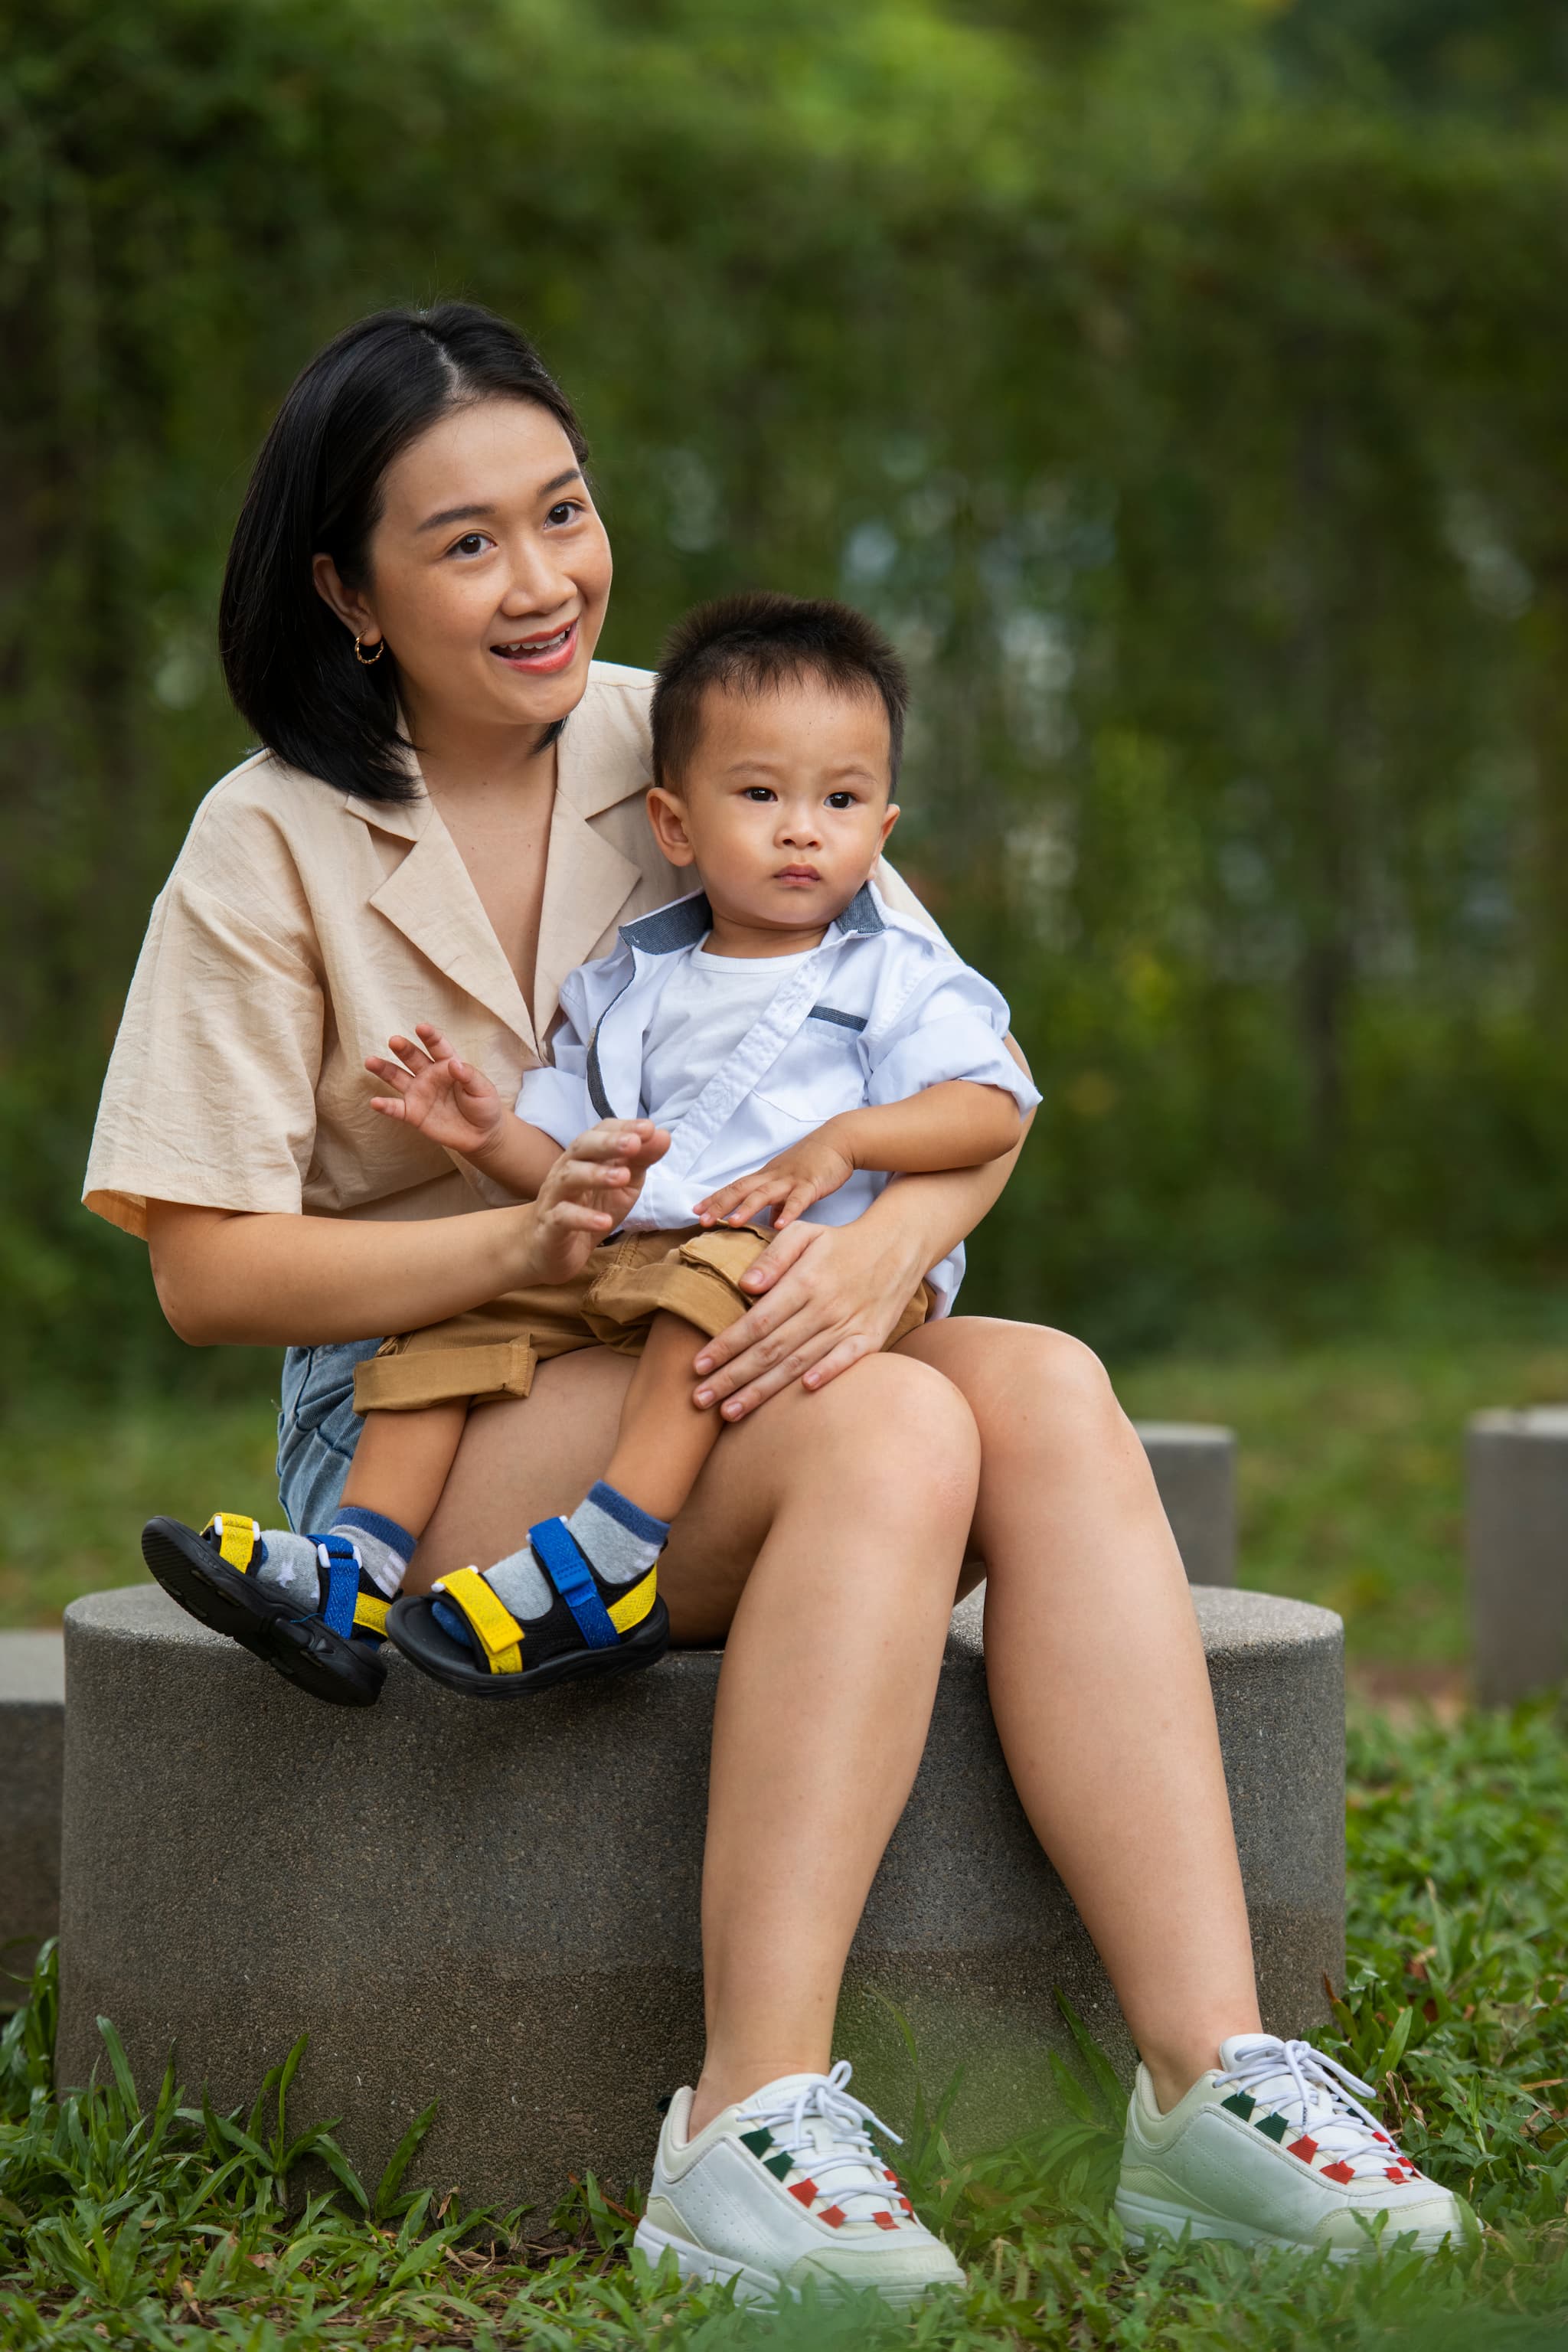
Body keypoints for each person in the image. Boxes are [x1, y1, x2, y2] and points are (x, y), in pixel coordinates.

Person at [84, 302, 1473, 2304]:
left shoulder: (706, 729)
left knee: (1053, 1386)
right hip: (436, 1411)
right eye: (463, 541)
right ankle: (746, 2124)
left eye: (563, 512)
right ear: (347, 591)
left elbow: (969, 1097)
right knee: (901, 1424)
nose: (544, 578)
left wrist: (890, 1252)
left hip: (744, 1324)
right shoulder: (267, 839)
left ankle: (1213, 2092)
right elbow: (206, 1275)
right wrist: (523, 1241)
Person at [141, 590, 1037, 1704]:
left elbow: (994, 1107)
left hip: (770, 1263)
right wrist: (491, 1136)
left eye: (841, 801)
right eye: (761, 796)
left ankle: (613, 1553)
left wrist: (850, 1147)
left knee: (710, 1290)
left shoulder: (891, 968)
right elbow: (573, 1182)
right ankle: (356, 1563)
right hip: (623, 1264)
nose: (803, 827)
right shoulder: (633, 983)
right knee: (445, 1324)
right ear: (677, 825)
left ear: (881, 826)